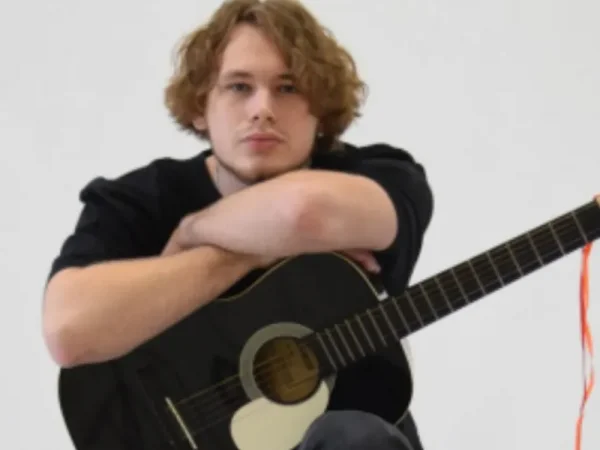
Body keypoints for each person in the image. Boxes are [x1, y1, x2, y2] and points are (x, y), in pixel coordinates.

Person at [42, 0, 434, 449]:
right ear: (200, 107)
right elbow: (68, 332)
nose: (262, 108)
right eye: (239, 87)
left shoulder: (382, 175)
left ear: (320, 109)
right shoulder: (139, 200)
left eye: (288, 87)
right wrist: (247, 254)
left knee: (355, 435)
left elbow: (300, 211)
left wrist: (191, 232)